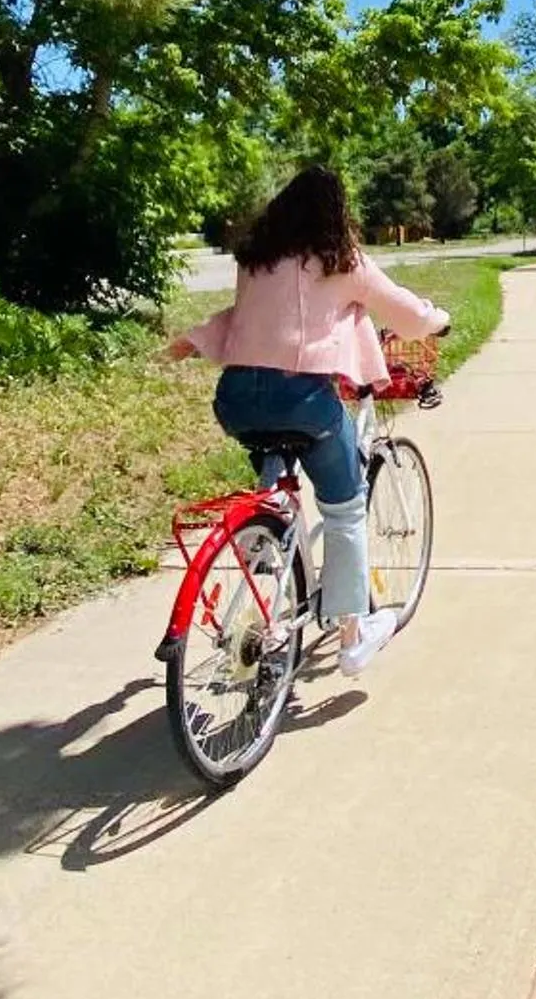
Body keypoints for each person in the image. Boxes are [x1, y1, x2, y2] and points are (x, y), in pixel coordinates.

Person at [170, 166, 450, 676]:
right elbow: (405, 313)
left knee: (273, 490)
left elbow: (239, 319)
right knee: (344, 510)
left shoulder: (257, 260)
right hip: (302, 399)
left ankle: (265, 578)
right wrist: (438, 320)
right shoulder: (342, 261)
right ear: (335, 212)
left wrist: (192, 339)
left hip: (235, 398)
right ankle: (352, 631)